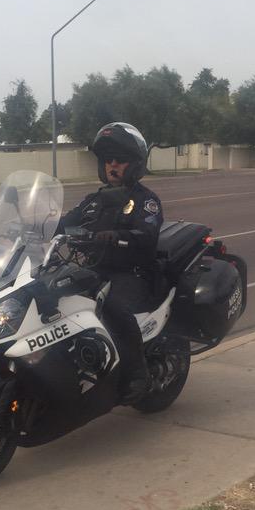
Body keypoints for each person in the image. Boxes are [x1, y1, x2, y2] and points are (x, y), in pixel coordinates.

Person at [59, 122, 163, 403]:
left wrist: (118, 236)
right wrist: (33, 228)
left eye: (120, 159)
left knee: (113, 307)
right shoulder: (94, 200)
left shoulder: (145, 200)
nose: (112, 165)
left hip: (132, 274)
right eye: (107, 159)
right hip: (95, 271)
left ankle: (137, 373)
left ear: (135, 164)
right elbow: (65, 222)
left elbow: (148, 233)